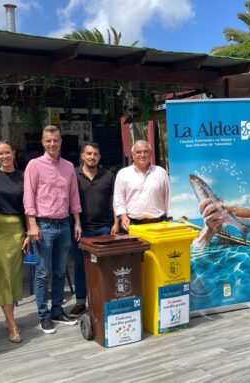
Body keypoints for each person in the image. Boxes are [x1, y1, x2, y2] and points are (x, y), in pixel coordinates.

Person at [24, 125, 81, 334]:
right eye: (48, 140)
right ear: (42, 142)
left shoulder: (68, 167)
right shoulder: (34, 165)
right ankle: (44, 316)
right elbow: (28, 197)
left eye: (55, 140)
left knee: (59, 272)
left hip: (64, 224)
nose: (52, 144)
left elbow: (74, 196)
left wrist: (77, 222)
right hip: (44, 226)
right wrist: (31, 225)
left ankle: (57, 311)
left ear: (60, 141)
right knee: (42, 273)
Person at [0, 140, 28, 343]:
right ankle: (12, 324)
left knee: (13, 276)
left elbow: (29, 206)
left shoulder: (23, 176)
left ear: (13, 153)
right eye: (0, 154)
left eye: (7, 152)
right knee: (3, 276)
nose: (4, 156)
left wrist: (29, 231)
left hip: (17, 229)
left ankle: (7, 316)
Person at [69, 143, 118, 318]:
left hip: (104, 228)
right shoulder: (73, 174)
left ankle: (105, 297)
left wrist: (116, 222)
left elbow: (115, 200)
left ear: (99, 157)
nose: (92, 157)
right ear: (82, 155)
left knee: (104, 267)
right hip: (81, 230)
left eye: (95, 154)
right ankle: (81, 302)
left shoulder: (108, 175)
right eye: (88, 153)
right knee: (80, 267)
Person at [113, 140, 172, 232]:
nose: (142, 154)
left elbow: (168, 197)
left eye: (145, 151)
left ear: (150, 154)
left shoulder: (161, 172)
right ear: (133, 155)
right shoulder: (123, 174)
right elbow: (118, 199)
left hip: (159, 224)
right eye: (138, 152)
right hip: (132, 225)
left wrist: (170, 218)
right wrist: (123, 216)